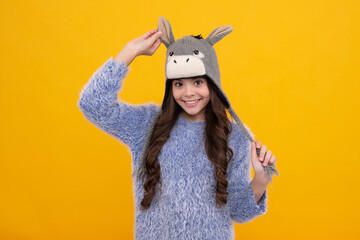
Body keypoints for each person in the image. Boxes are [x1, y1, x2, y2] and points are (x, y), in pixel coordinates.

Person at [78, 18, 277, 240]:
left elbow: (238, 213)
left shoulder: (235, 137)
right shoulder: (147, 124)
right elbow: (92, 104)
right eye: (179, 83)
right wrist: (129, 52)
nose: (188, 92)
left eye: (198, 82)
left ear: (213, 83)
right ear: (169, 86)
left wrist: (260, 180)